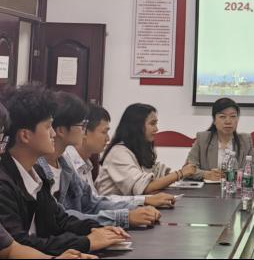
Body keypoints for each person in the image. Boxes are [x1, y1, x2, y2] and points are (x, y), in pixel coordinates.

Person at [0, 84, 128, 256]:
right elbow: (19, 244)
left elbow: (60, 220)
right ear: (25, 135)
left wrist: (95, 229)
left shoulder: (37, 173)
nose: (53, 134)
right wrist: (86, 242)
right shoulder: (4, 183)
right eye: (48, 127)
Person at [38, 93, 161, 229]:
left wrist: (136, 207)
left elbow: (91, 203)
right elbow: (62, 219)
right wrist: (126, 216)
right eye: (82, 125)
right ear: (61, 130)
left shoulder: (65, 164)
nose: (84, 131)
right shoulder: (40, 168)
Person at [64, 104, 175, 208]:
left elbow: (94, 202)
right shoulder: (68, 163)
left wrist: (142, 202)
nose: (108, 138)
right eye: (104, 132)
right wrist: (144, 201)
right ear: (84, 130)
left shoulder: (85, 164)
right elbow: (88, 208)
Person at [97, 103, 196, 196]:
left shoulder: (138, 149)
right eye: (152, 124)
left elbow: (157, 174)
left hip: (131, 206)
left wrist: (182, 172)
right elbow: (144, 188)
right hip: (113, 208)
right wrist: (180, 173)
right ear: (136, 126)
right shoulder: (118, 153)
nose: (156, 129)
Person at [185, 98, 254, 181]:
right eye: (222, 116)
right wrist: (205, 174)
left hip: (235, 187)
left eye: (233, 116)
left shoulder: (245, 140)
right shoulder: (203, 139)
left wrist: (233, 174)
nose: (228, 121)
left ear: (237, 119)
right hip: (208, 188)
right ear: (214, 120)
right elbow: (187, 169)